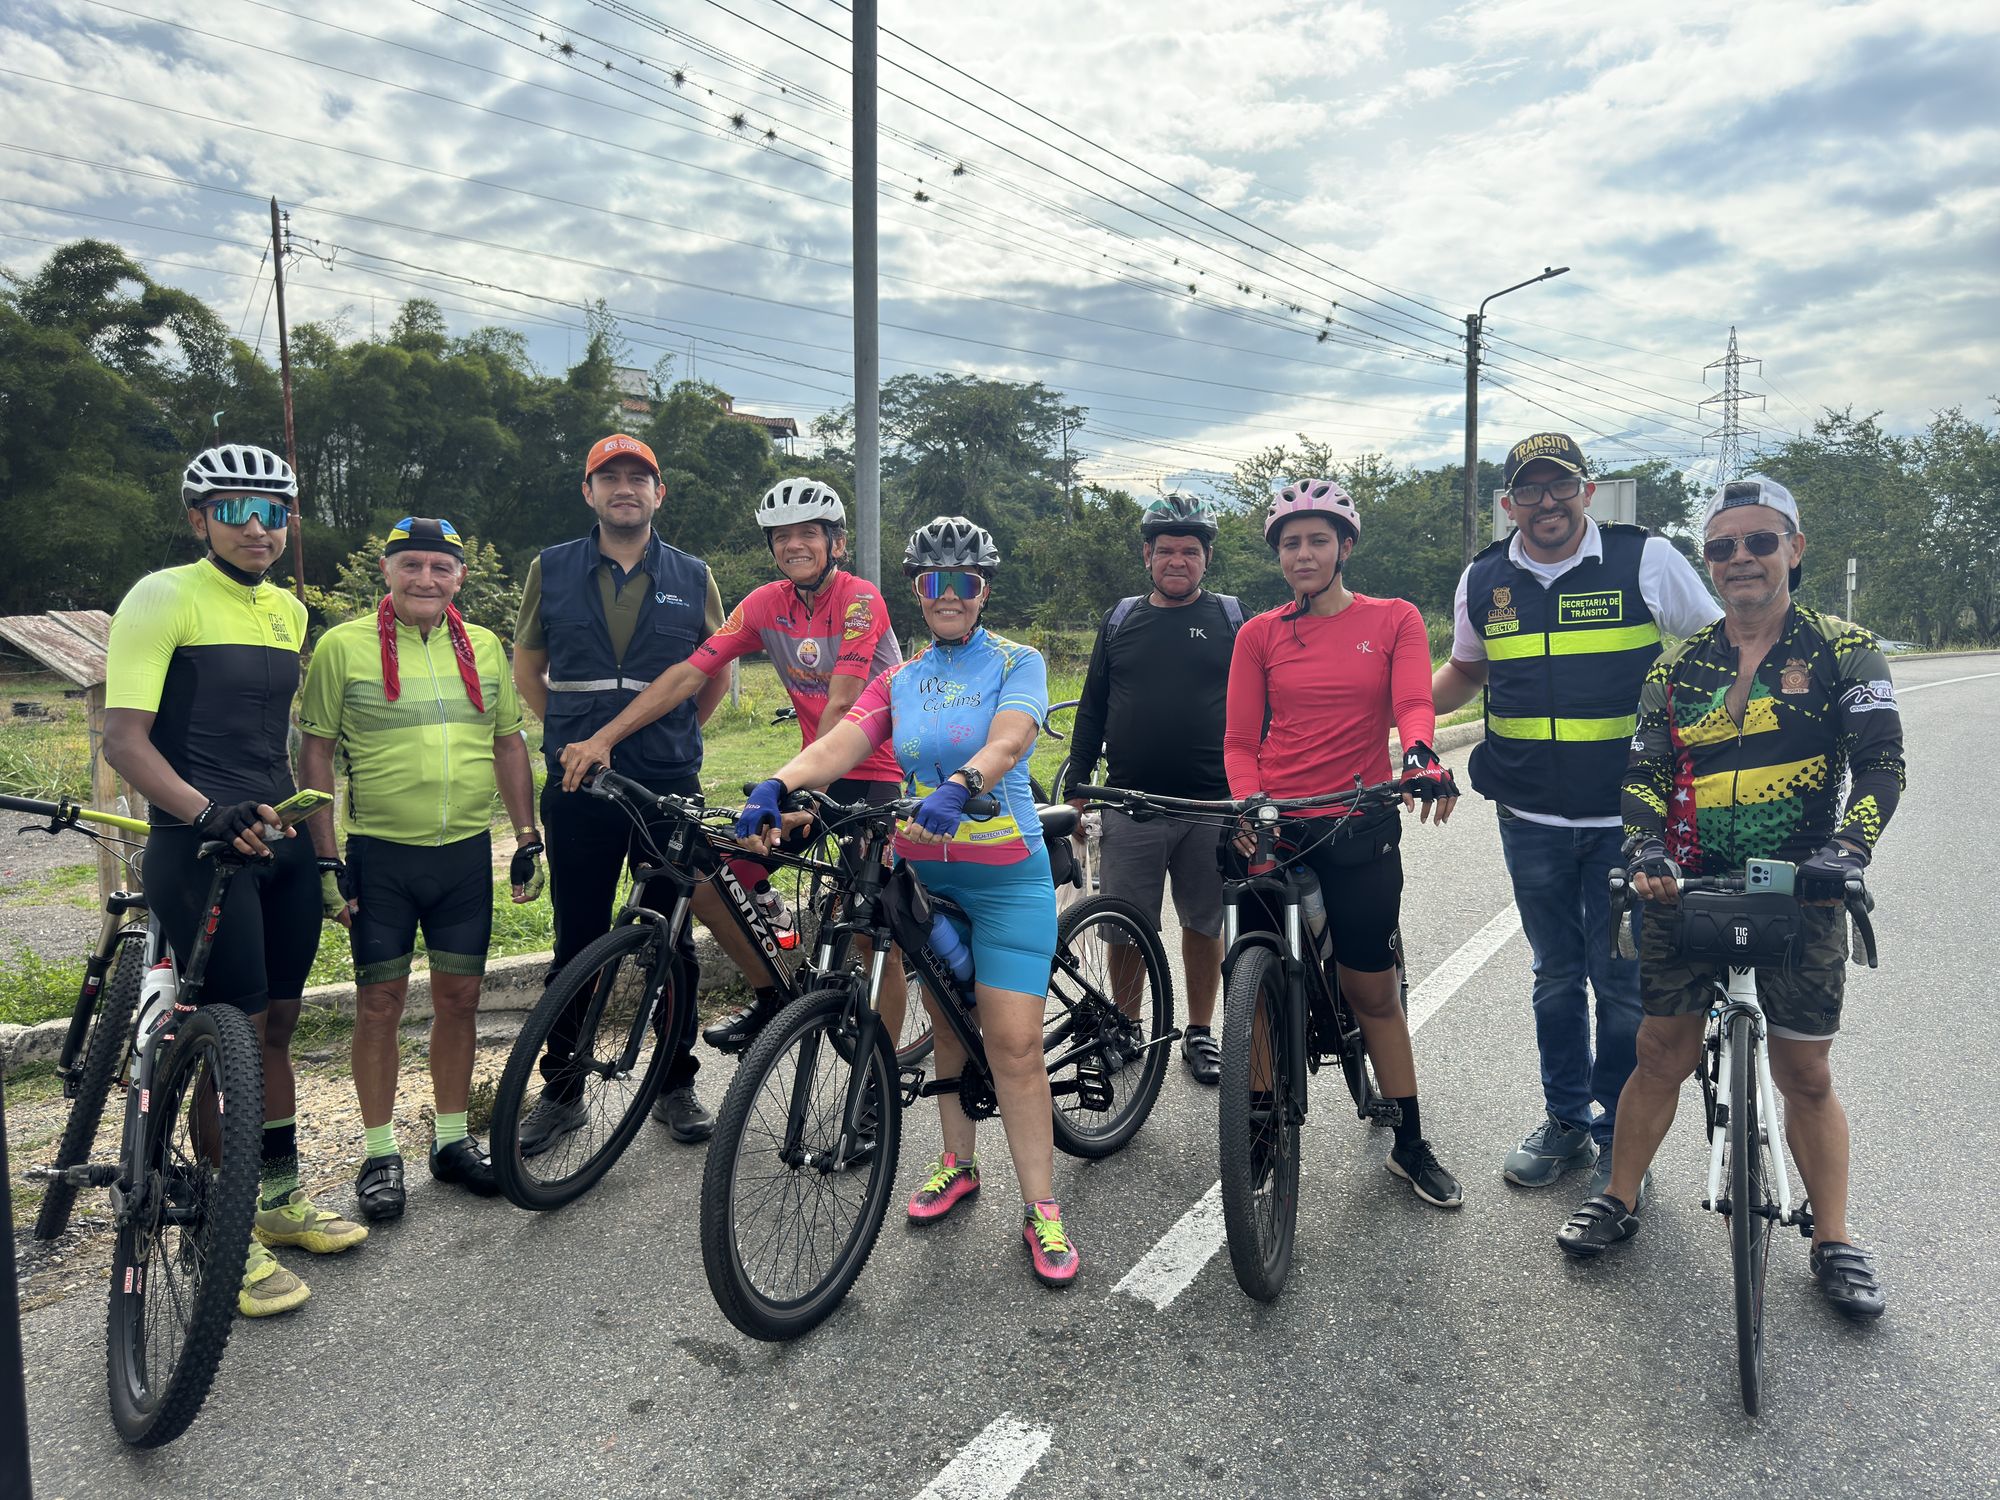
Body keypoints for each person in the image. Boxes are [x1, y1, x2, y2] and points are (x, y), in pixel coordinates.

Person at [1558, 476, 1904, 1320]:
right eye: (1722, 547)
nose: (1741, 558)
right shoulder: (1680, 666)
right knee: (1658, 1057)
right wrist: (1643, 845)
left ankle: (1834, 1239)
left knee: (1806, 1074)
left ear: (1794, 548)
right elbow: (1640, 772)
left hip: (1802, 887)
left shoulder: (1844, 649)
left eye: (1759, 541)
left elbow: (1882, 764)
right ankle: (1621, 1195)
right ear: (1708, 563)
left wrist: (1848, 848)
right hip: (1686, 884)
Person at [735, 516, 1079, 1286]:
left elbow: (1012, 738)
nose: (947, 595)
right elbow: (844, 743)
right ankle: (957, 1163)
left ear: (983, 590)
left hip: (1005, 880)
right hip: (928, 879)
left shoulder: (1019, 660)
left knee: (1015, 1045)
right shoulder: (904, 678)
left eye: (963, 582)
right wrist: (780, 783)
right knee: (949, 1030)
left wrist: (965, 784)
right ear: (918, 594)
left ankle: (1042, 1207)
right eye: (932, 583)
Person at [104, 442, 366, 1318]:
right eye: (237, 509)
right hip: (202, 844)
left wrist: (318, 845)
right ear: (198, 517)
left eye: (276, 512)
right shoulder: (162, 595)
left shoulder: (290, 611)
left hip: (278, 837)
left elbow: (279, 739)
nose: (259, 529)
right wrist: (201, 812)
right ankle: (224, 1225)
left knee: (282, 1024)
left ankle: (275, 1198)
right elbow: (124, 740)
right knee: (233, 1039)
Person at [1432, 432, 1720, 1202]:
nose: (1548, 503)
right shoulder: (1485, 578)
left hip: (1631, 822)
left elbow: (1718, 650)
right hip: (1528, 818)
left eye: (1561, 487)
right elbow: (1465, 671)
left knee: (1622, 983)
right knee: (1555, 976)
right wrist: (1388, 714)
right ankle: (1565, 1119)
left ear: (1587, 492)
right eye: (1531, 490)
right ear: (1509, 504)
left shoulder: (1645, 559)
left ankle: (1620, 1137)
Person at [556, 476, 905, 1054]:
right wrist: (603, 739)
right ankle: (774, 995)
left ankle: (877, 1082)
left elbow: (844, 703)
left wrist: (803, 791)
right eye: (782, 536)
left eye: (809, 534)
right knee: (708, 875)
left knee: (869, 932)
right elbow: (691, 673)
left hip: (876, 773)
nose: (795, 545)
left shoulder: (860, 597)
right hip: (810, 770)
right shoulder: (766, 604)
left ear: (835, 544)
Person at [1225, 479, 1464, 1209]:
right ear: (1278, 555)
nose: (1303, 552)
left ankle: (1411, 1142)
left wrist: (1420, 754)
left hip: (1359, 820)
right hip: (1275, 822)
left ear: (1345, 547)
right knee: (1256, 992)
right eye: (1291, 542)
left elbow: (1413, 701)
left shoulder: (1394, 619)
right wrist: (1249, 803)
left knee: (1370, 992)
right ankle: (1260, 1125)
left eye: (1317, 539)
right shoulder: (1259, 634)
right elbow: (1239, 741)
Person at [298, 518, 543, 1222]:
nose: (426, 579)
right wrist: (325, 856)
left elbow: (506, 743)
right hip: (382, 855)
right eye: (412, 565)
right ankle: (379, 1152)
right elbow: (314, 754)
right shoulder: (342, 647)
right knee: (379, 1006)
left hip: (465, 855)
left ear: (459, 576)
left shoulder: (486, 646)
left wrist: (527, 836)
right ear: (386, 570)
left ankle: (449, 1141)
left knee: (460, 1002)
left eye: (440, 567)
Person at [511, 434, 728, 1148]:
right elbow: (529, 666)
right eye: (611, 478)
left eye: (640, 477)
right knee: (576, 938)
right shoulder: (551, 568)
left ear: (659, 494)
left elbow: (714, 673)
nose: (625, 488)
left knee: (672, 939)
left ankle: (675, 1083)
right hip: (580, 786)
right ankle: (562, 1089)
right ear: (589, 492)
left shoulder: (695, 575)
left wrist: (668, 741)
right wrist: (569, 736)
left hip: (667, 784)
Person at [1067, 493, 1243, 1086]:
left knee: (1204, 923)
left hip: (1210, 806)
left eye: (1189, 551)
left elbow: (1257, 709)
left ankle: (1199, 1031)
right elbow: (1092, 707)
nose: (1177, 560)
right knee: (1125, 926)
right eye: (1165, 550)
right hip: (1131, 804)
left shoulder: (1230, 619)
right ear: (1147, 556)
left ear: (1206, 558)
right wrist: (1079, 780)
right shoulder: (1120, 620)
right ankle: (1125, 1024)